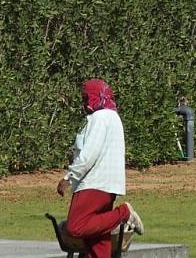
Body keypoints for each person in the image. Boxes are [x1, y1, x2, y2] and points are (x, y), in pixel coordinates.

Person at [56, 78, 144, 258]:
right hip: (109, 185)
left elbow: (90, 153)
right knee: (97, 240)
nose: (84, 102)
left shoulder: (100, 118)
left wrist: (69, 177)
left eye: (86, 97)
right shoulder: (113, 117)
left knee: (76, 226)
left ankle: (124, 212)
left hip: (94, 183)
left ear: (96, 97)